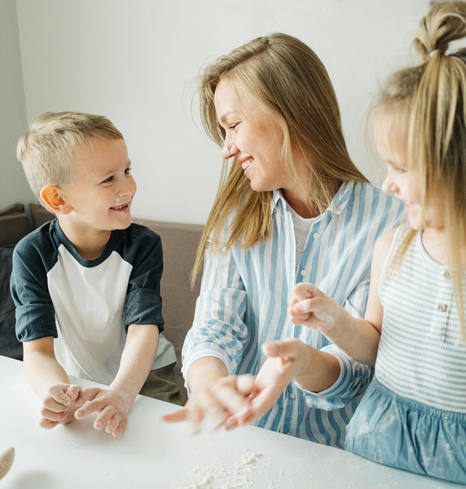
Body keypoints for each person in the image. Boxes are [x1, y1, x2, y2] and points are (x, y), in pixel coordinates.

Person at [252, 2, 466, 484]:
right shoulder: (392, 246)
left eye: (401, 168)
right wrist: (332, 318)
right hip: (377, 441)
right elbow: (374, 346)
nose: (387, 185)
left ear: (460, 168)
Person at [162, 33, 404, 447]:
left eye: (233, 125)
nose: (227, 148)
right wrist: (207, 384)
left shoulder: (390, 222)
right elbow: (215, 324)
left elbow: (361, 366)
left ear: (292, 113)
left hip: (334, 455)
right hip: (241, 441)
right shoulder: (235, 217)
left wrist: (302, 364)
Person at [11, 111, 184, 437]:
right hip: (76, 378)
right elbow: (37, 351)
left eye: (127, 170)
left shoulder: (143, 245)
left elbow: (143, 330)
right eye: (109, 179)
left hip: (145, 374)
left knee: (167, 442)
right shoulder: (31, 255)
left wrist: (121, 392)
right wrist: (55, 392)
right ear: (57, 198)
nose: (128, 186)